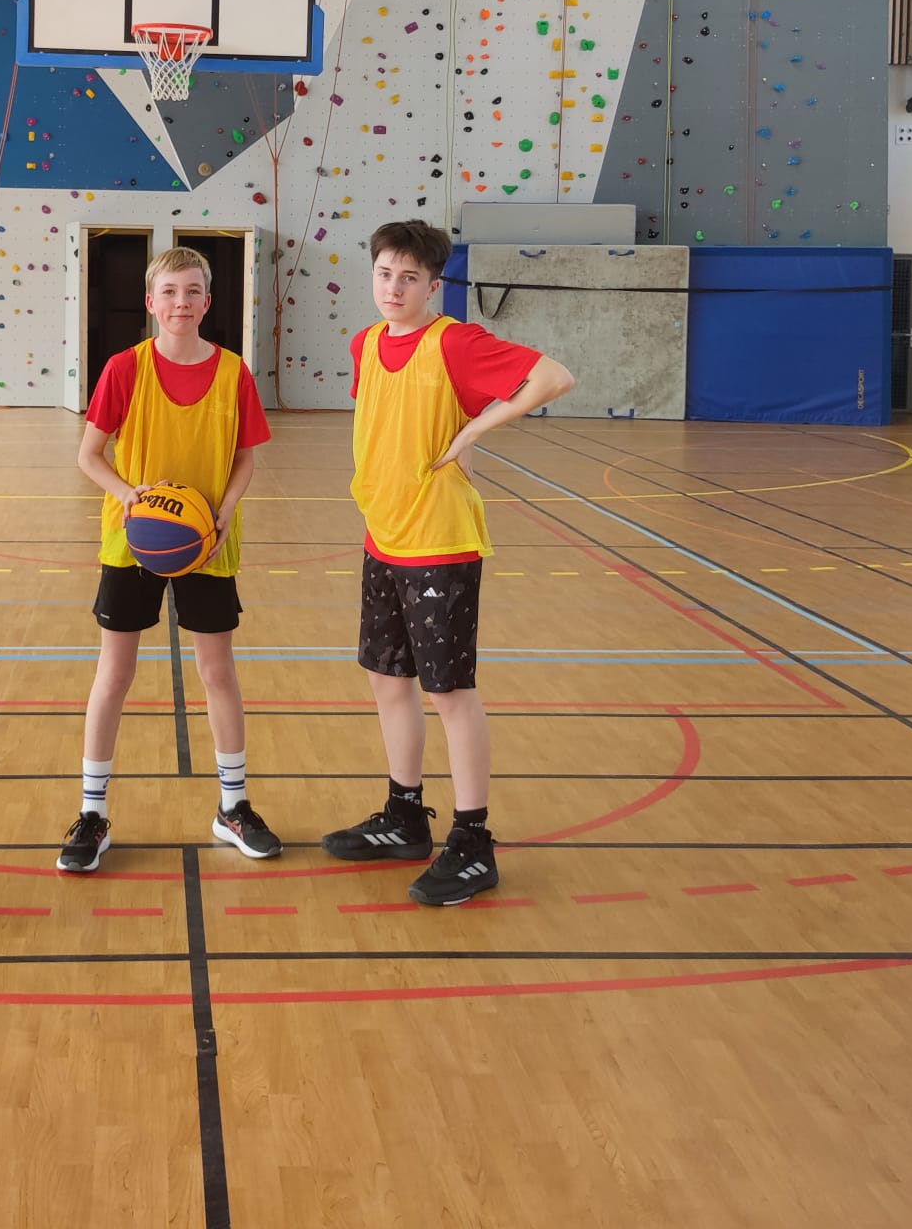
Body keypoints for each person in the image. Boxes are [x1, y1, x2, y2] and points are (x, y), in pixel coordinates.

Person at [322, 220, 574, 905]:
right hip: (383, 536)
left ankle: (472, 840)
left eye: (409, 278)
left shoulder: (455, 342)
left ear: (433, 285)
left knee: (450, 692)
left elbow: (553, 377)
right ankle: (405, 816)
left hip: (439, 542)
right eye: (385, 274)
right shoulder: (366, 343)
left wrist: (475, 428)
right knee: (387, 679)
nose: (394, 288)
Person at [57, 246, 280, 873]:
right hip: (133, 541)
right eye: (170, 292)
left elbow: (245, 458)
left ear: (208, 302)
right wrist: (131, 496)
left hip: (208, 541)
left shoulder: (234, 372)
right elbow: (89, 455)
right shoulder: (125, 368)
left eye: (192, 291)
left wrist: (224, 510)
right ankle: (92, 813)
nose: (181, 302)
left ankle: (233, 806)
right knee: (115, 674)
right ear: (151, 302)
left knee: (217, 673)